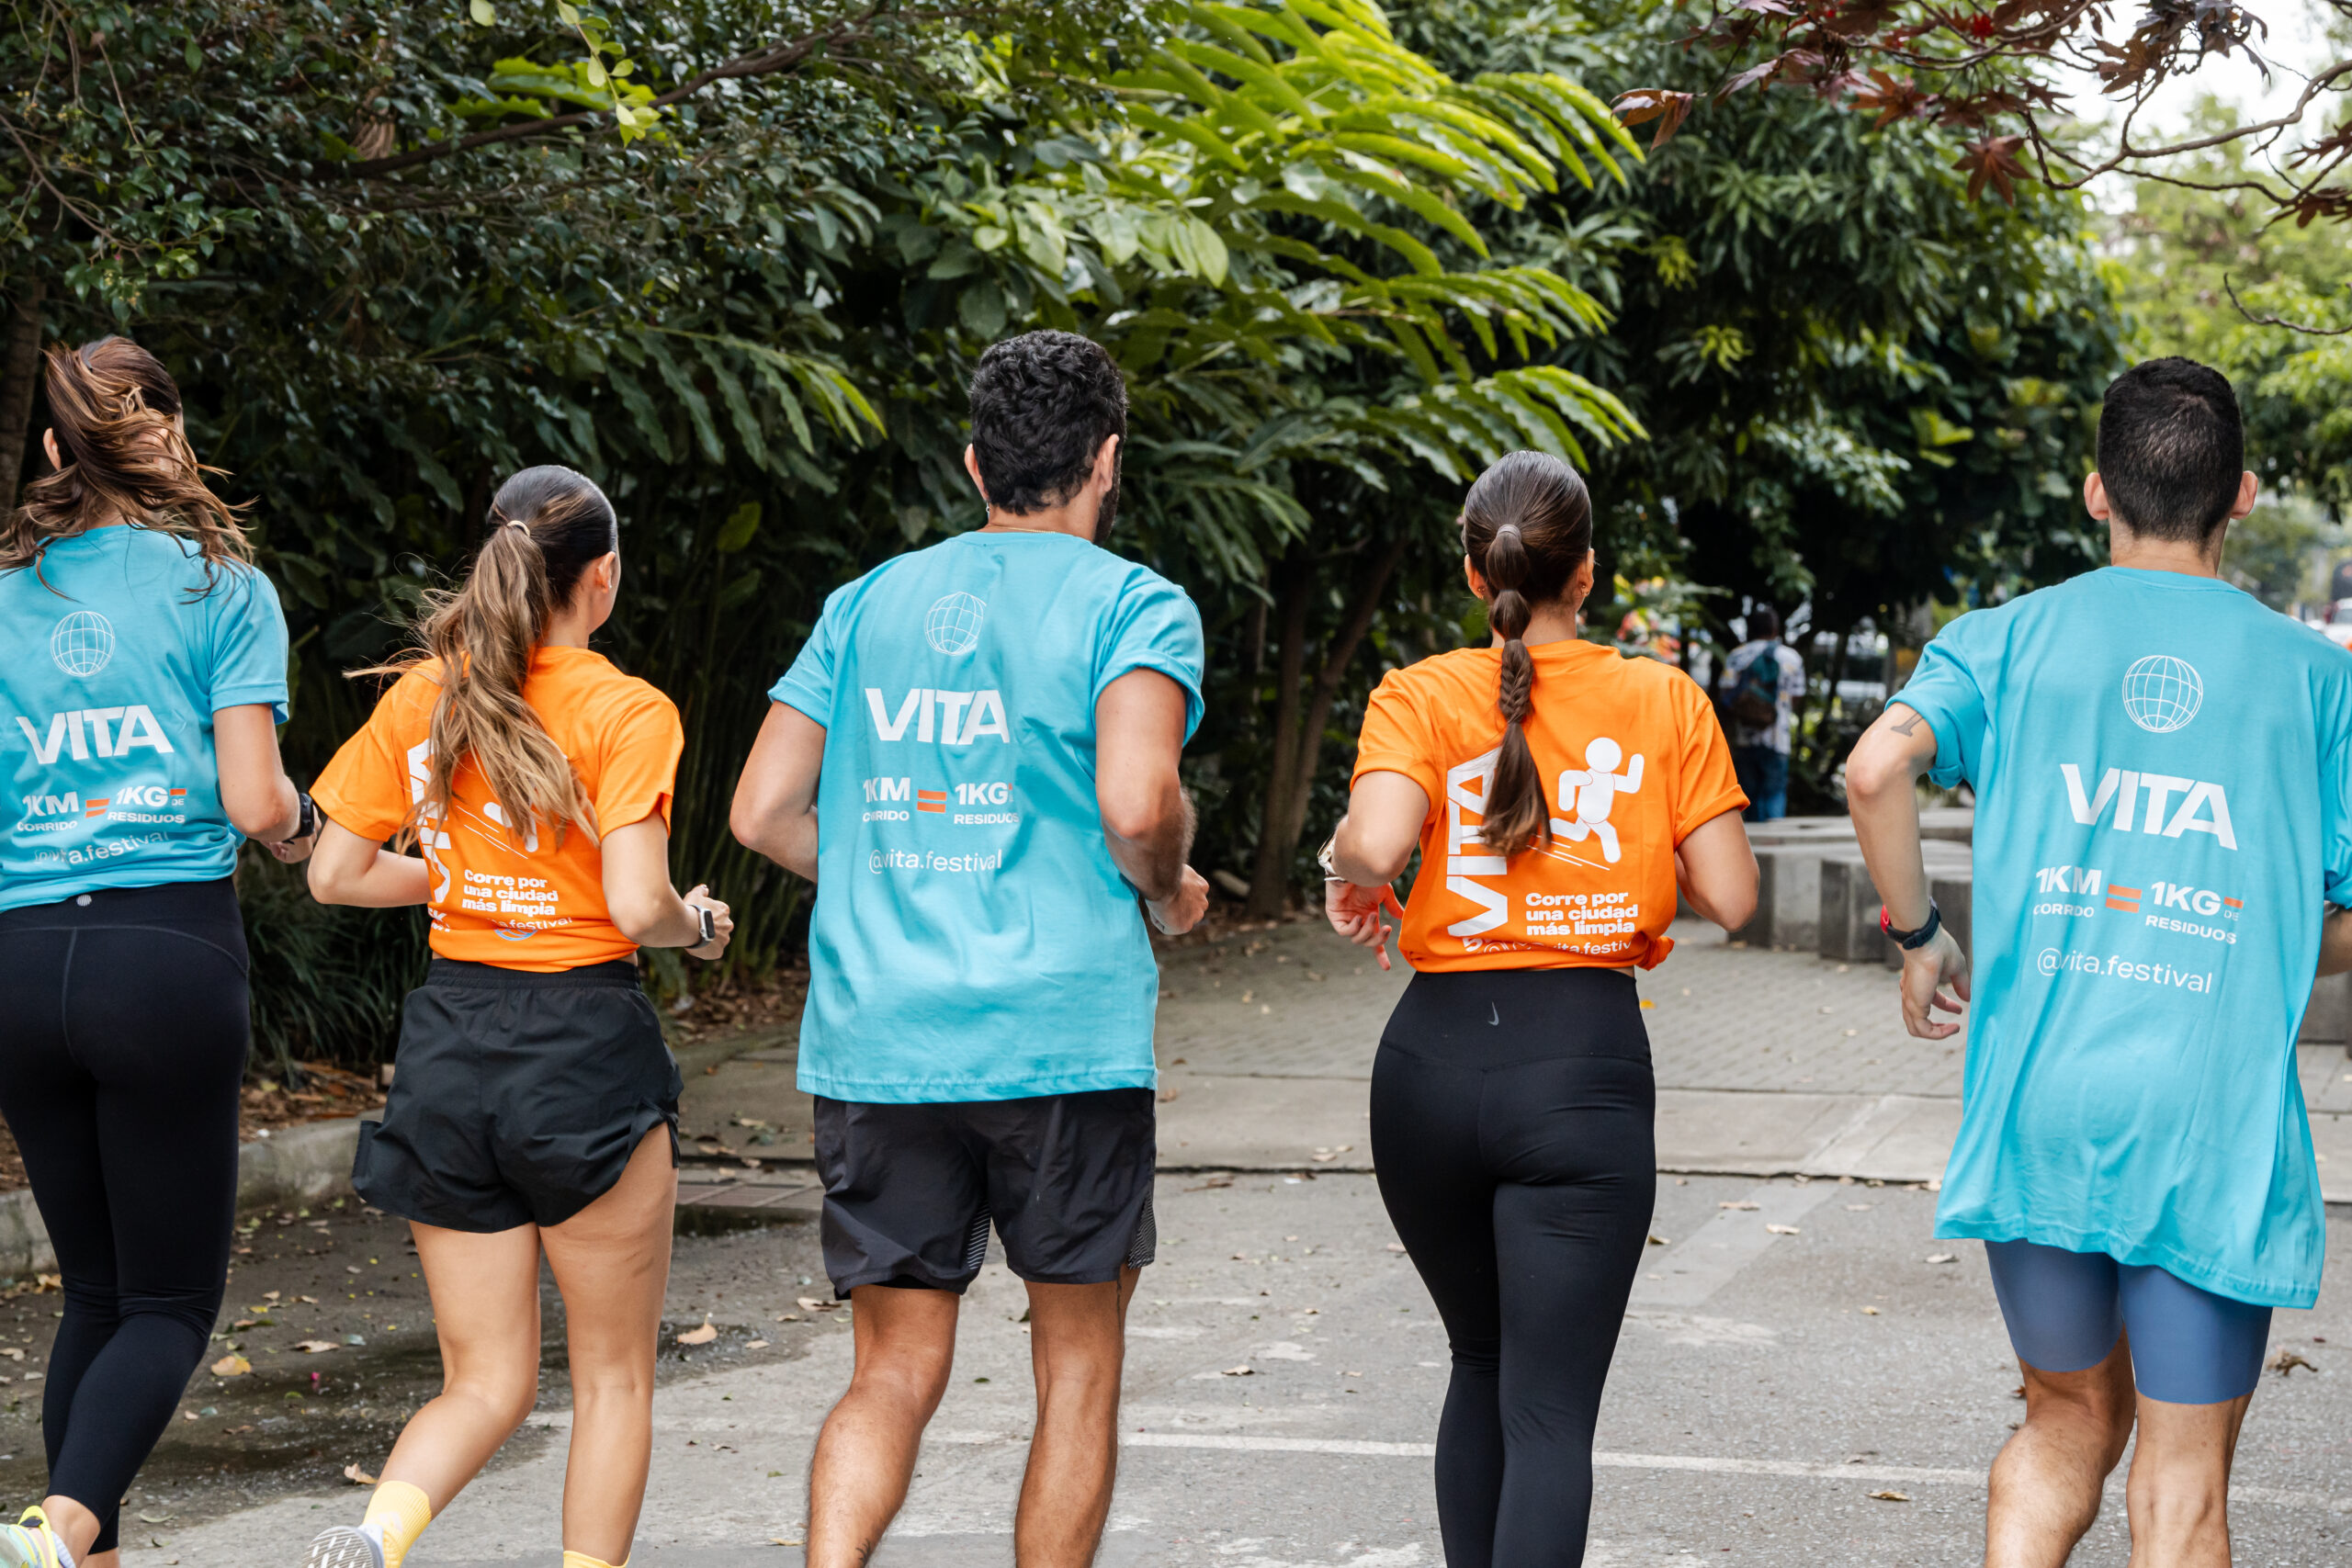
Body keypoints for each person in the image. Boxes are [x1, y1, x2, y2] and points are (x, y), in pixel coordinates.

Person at [1845, 356, 2352, 1568]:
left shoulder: (2005, 640)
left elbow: (1875, 770)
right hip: (2210, 1121)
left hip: (2040, 1106)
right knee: (2180, 1488)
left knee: (2064, 1420)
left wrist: (1919, 938)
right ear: (2242, 496)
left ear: (2093, 492)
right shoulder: (2320, 679)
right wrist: (2260, 931)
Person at [729, 330, 1207, 1568]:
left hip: (882, 1038)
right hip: (1062, 1038)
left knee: (891, 1368)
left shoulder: (868, 600)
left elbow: (761, 812)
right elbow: (1139, 805)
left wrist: (889, 874)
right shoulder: (1135, 606)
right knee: (1079, 1366)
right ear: (1108, 461)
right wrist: (1167, 887)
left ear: (974, 459)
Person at [1320, 449, 1758, 1568]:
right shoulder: (1663, 698)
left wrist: (1349, 868)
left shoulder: (1420, 692)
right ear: (1589, 574)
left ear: (1476, 578)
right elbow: (1734, 899)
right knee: (1549, 1411)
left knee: (1476, 1359)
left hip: (1427, 1062)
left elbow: (1372, 842)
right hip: (1581, 1063)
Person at [300, 466, 733, 1568]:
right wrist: (697, 922)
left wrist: (457, 878)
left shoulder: (425, 696)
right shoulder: (627, 709)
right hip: (582, 1047)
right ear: (606, 576)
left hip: (448, 1048)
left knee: (484, 1378)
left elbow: (336, 874)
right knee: (613, 1377)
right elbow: (637, 904)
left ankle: (375, 1534)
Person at [0, 338, 314, 1568]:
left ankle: (74, 1550)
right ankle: (61, 1523)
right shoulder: (221, 583)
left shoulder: (4, 593)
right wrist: (307, 825)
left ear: (53, 450)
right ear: (166, 437)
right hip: (164, 950)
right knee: (172, 1302)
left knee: (94, 1293)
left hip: (20, 961)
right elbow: (253, 800)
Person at [1715, 604, 1804, 821]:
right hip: (1778, 737)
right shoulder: (1790, 657)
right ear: (1775, 629)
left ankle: (1750, 851)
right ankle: (1774, 845)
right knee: (1774, 794)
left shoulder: (1737, 656)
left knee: (1747, 796)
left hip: (1745, 736)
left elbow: (1726, 696)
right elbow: (1797, 695)